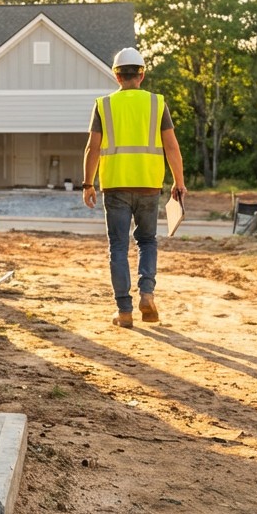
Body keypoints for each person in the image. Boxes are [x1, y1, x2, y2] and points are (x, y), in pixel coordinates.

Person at [81, 47, 187, 328]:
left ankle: (125, 311)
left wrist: (88, 183)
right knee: (147, 240)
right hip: (149, 184)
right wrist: (179, 181)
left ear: (117, 75)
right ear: (141, 74)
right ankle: (147, 294)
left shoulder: (104, 104)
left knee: (118, 245)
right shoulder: (156, 103)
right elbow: (172, 146)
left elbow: (93, 147)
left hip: (115, 184)